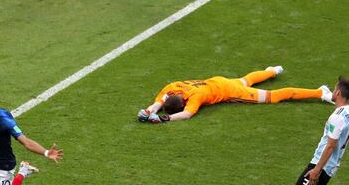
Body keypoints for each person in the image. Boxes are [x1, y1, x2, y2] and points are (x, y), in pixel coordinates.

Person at [138, 66, 334, 123]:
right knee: (246, 80)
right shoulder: (174, 86)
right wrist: (148, 111)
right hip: (219, 80)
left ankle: (320, 92)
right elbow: (160, 100)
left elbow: (187, 114)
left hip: (229, 91)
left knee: (272, 97)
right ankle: (272, 71)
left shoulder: (195, 99)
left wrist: (166, 118)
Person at [288, 76, 349, 185]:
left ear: (337, 92)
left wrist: (316, 170)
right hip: (332, 164)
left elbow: (330, 145)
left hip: (322, 164)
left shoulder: (336, 117)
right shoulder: (347, 112)